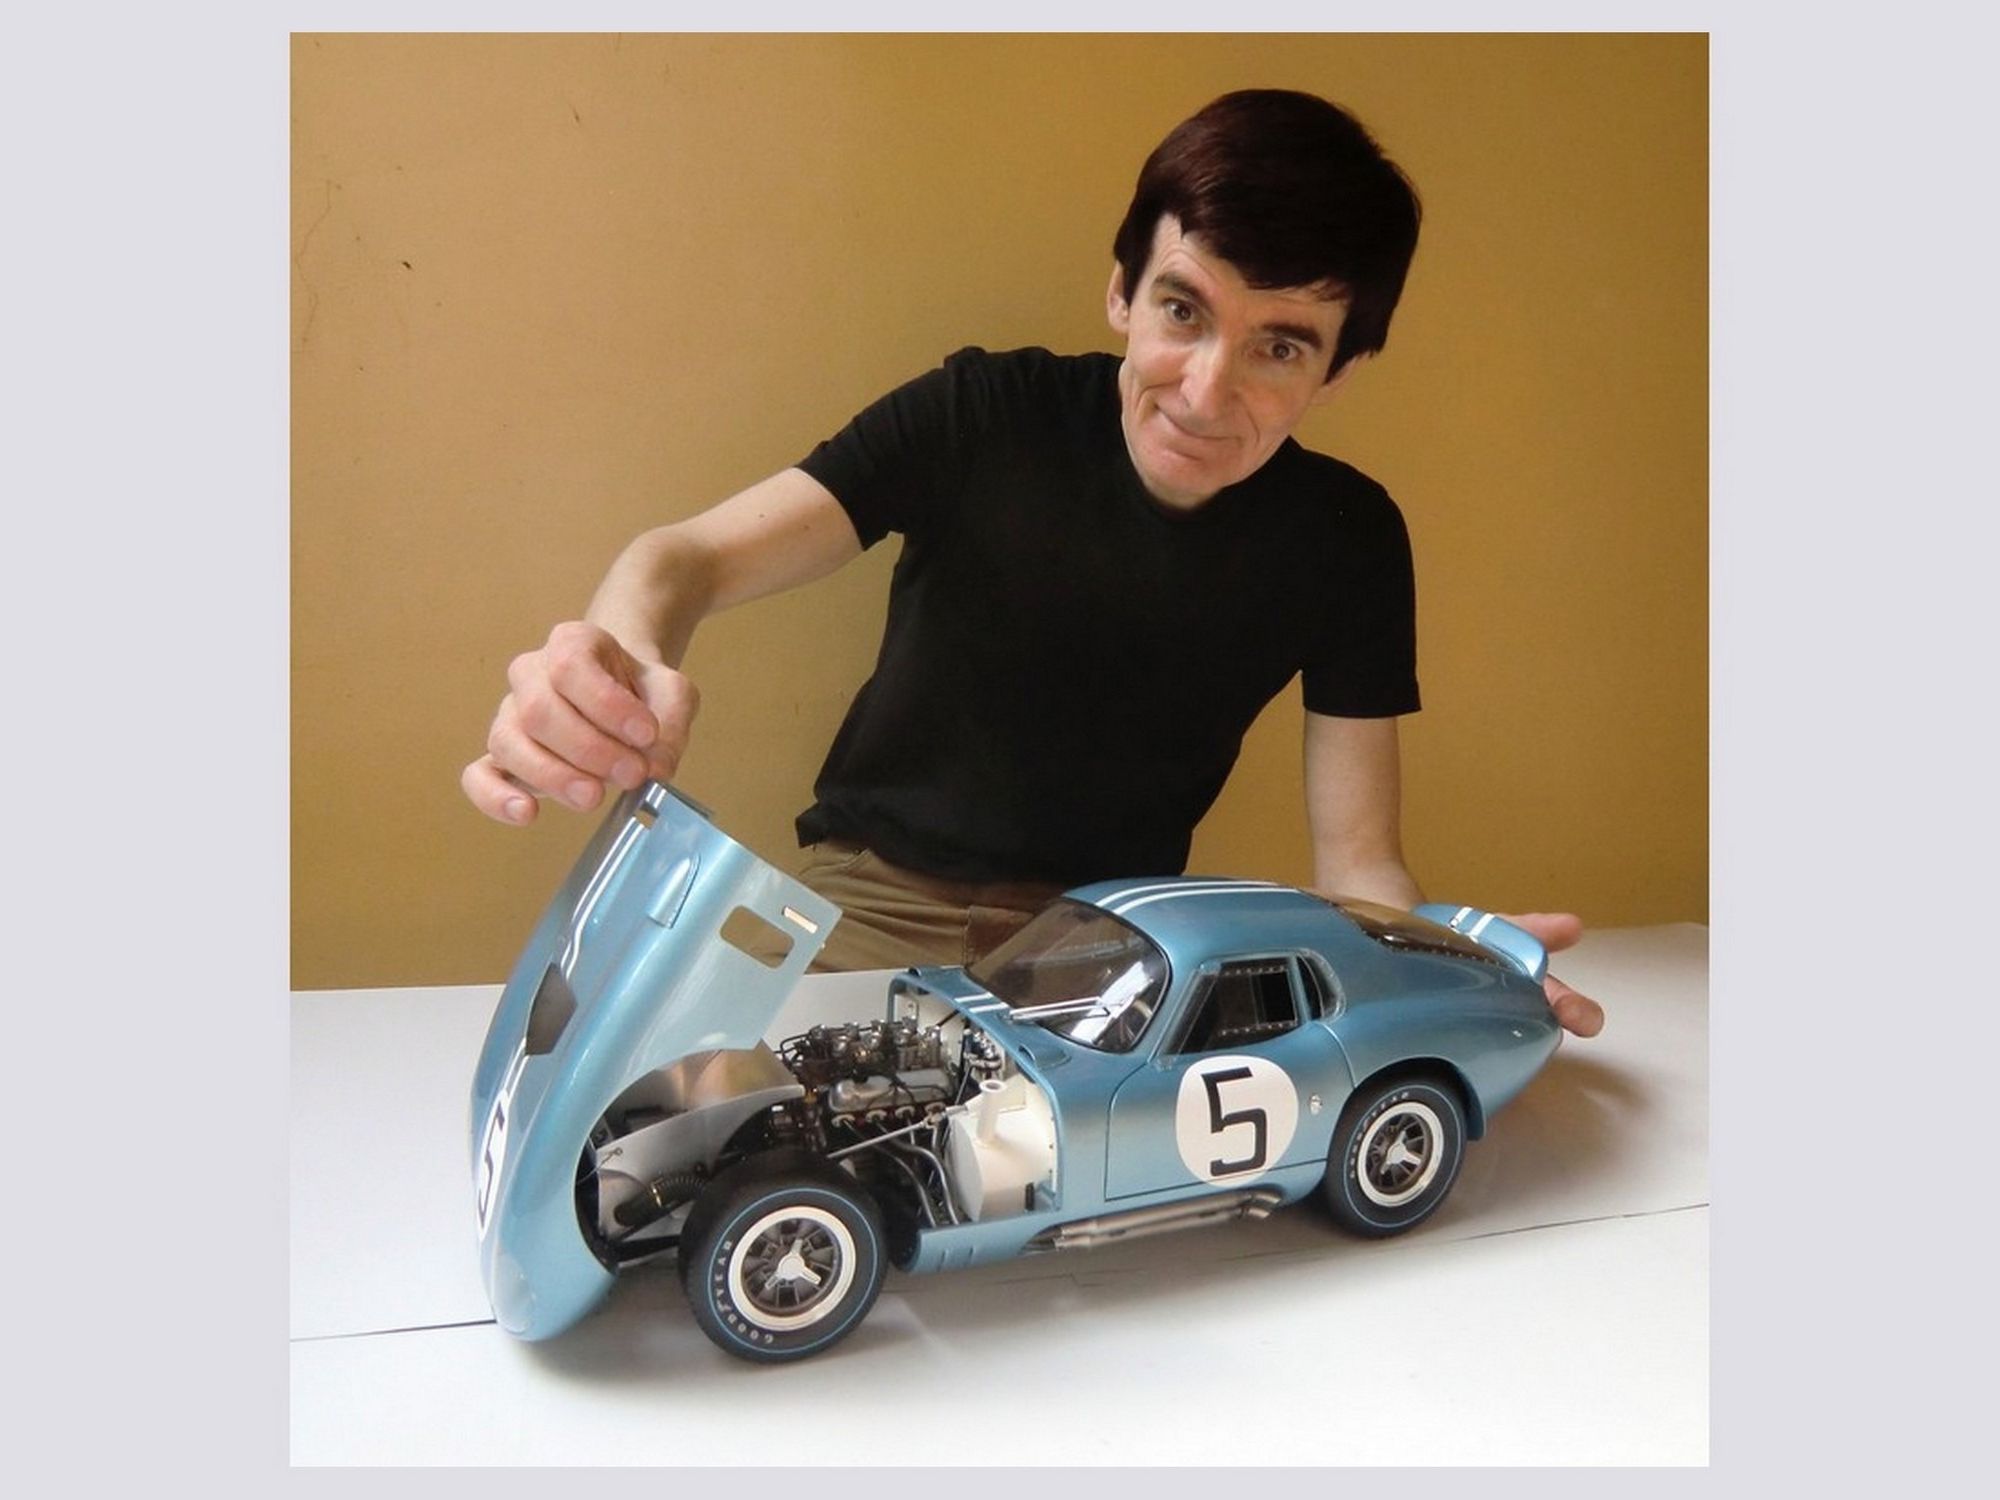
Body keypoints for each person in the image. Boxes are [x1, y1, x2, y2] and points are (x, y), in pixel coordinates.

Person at [461, 89, 1605, 1037]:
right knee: (698, 1137)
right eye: (1182, 310)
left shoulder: (1346, 537)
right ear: (1120, 293)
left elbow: (1359, 866)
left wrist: (1446, 981)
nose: (1207, 391)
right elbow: (685, 559)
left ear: (1337, 373)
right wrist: (613, 660)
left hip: (1109, 953)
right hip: (859, 909)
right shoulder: (982, 413)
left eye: (1278, 346)